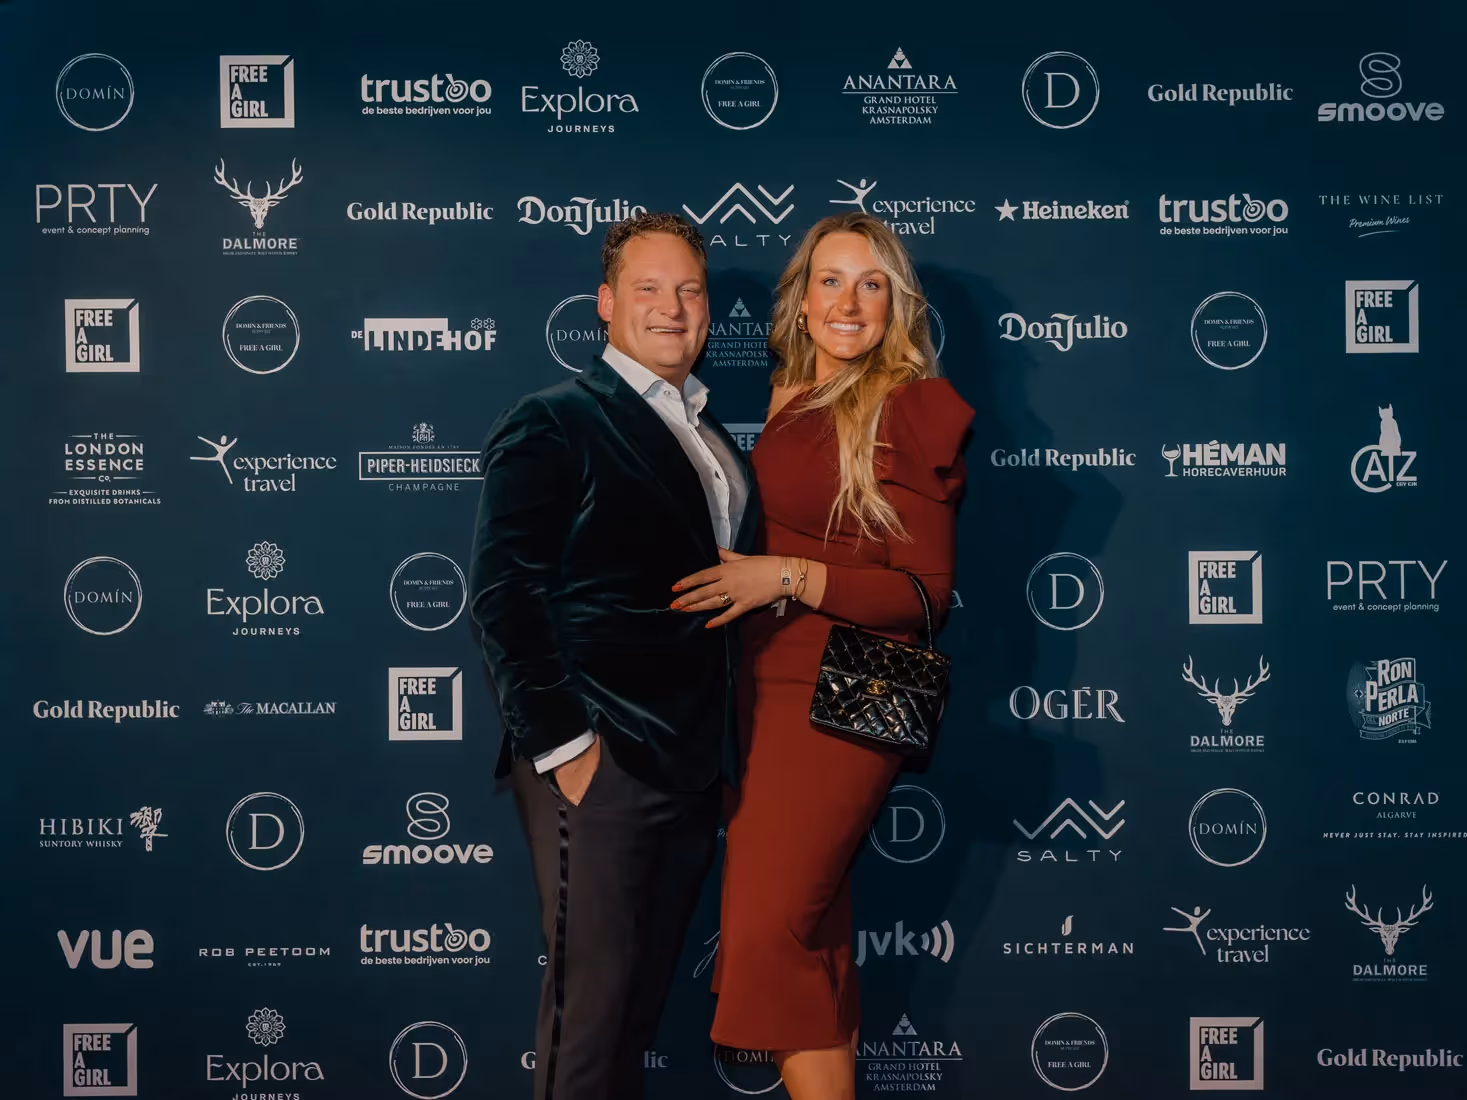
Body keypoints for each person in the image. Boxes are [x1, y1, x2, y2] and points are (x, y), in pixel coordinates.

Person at [672, 212, 972, 1100]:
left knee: (769, 931)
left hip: (844, 699)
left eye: (871, 283)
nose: (848, 302)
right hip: (761, 693)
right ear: (800, 303)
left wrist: (788, 577)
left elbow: (924, 596)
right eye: (830, 281)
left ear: (895, 304)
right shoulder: (787, 397)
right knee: (812, 944)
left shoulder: (910, 406)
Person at [468, 212, 756, 1100]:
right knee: (587, 1029)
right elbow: (504, 595)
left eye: (689, 290)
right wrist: (566, 749)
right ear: (604, 303)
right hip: (601, 762)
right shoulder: (555, 420)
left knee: (630, 1022)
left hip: (691, 764)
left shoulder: (707, 433)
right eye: (648, 289)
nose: (672, 308)